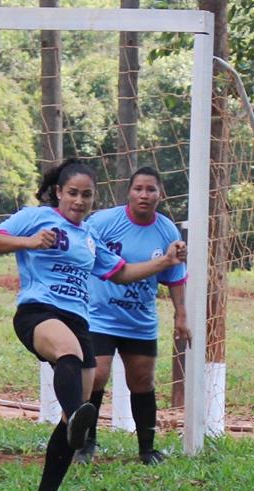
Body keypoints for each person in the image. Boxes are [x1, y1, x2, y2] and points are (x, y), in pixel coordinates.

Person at [0, 158, 187, 491]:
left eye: (86, 195)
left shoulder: (90, 237)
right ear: (59, 192)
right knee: (69, 359)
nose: (79, 201)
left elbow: (121, 272)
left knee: (74, 413)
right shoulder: (37, 217)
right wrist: (29, 242)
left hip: (79, 321)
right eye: (72, 193)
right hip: (38, 312)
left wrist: (165, 263)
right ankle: (77, 413)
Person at [75, 166, 191, 466]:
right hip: (99, 315)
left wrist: (181, 314)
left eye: (151, 189)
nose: (144, 194)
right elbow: (81, 253)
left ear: (160, 194)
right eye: (138, 188)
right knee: (96, 375)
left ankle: (146, 449)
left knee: (142, 381)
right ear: (129, 192)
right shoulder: (103, 222)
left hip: (139, 319)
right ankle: (86, 444)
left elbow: (176, 276)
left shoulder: (167, 231)